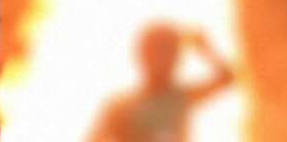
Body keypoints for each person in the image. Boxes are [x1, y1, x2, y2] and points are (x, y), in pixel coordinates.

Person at [85, 23, 235, 142]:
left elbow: (228, 79)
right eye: (158, 53)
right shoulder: (120, 107)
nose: (165, 61)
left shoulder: (183, 97)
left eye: (171, 52)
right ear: (142, 55)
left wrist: (206, 49)